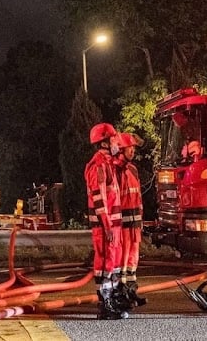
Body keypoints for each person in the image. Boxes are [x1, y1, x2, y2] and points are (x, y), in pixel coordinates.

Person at [85, 122, 125, 320]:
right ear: (104, 142)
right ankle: (105, 303)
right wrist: (107, 225)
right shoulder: (98, 165)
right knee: (104, 263)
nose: (117, 141)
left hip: (113, 225)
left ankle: (113, 300)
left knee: (113, 263)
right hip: (104, 226)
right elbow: (99, 198)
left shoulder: (108, 163)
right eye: (114, 138)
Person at [113, 132, 147, 311]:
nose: (132, 151)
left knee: (133, 259)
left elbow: (138, 196)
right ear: (120, 149)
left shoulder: (132, 169)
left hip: (135, 223)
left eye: (133, 147)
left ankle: (132, 291)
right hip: (123, 223)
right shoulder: (116, 170)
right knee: (122, 259)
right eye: (129, 148)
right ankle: (121, 292)